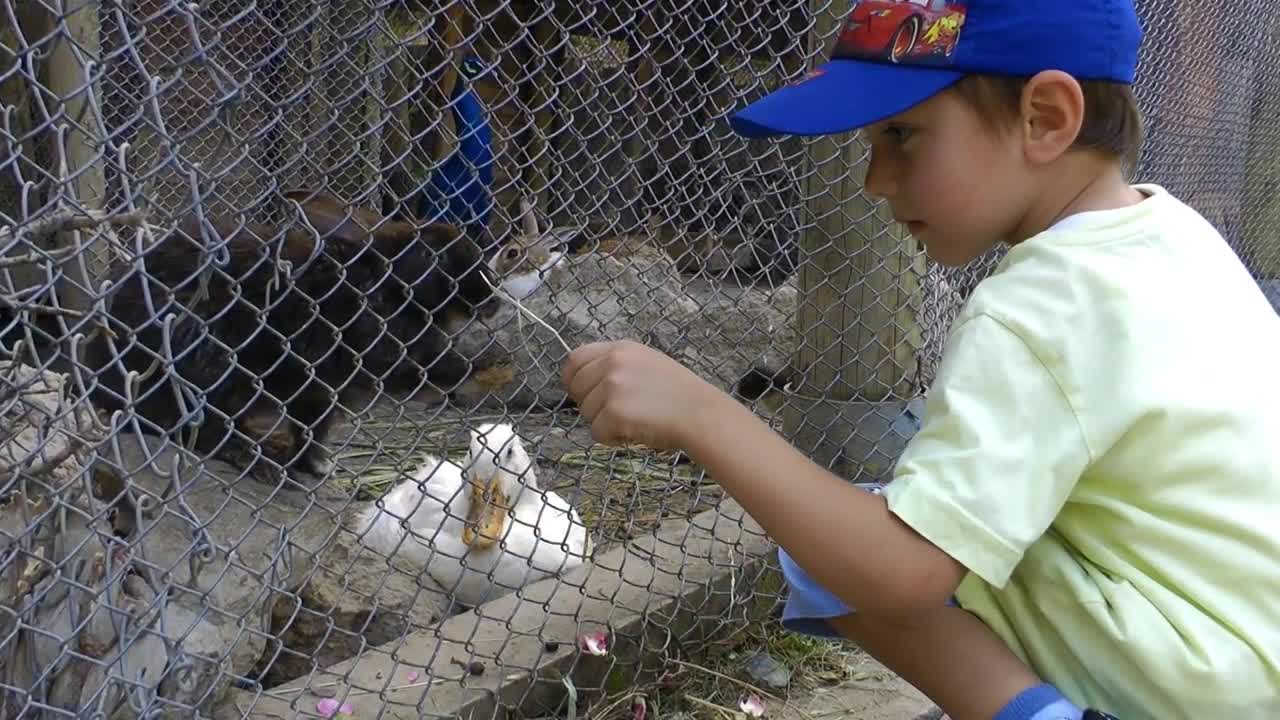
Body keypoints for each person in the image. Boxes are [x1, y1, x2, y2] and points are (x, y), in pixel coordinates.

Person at [559, 0, 1280, 718]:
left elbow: (902, 575)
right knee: (874, 518)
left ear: (1046, 119)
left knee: (844, 548)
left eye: (903, 136)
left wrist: (700, 413)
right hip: (1247, 653)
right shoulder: (1172, 232)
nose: (875, 181)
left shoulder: (1040, 307)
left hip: (1190, 691)